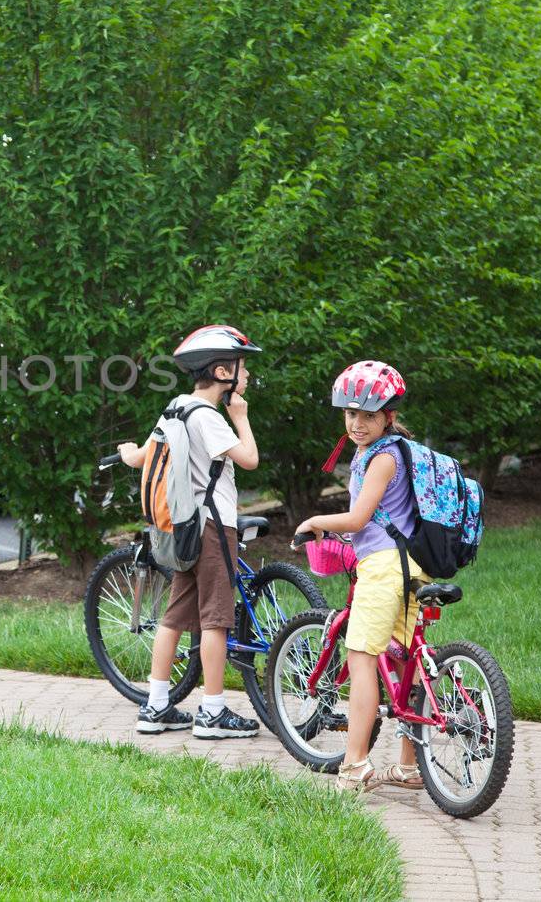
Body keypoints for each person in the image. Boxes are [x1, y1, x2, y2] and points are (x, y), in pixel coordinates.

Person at [117, 324, 262, 739]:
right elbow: (249, 458)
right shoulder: (209, 417)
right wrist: (241, 417)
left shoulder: (175, 407)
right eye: (241, 366)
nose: (246, 375)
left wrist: (128, 451)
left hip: (182, 529)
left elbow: (141, 457)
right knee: (216, 620)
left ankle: (156, 706)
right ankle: (213, 712)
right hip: (214, 526)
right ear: (221, 373)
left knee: (175, 616)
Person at [293, 360, 425, 793]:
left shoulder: (383, 458)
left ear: (388, 416)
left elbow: (358, 517)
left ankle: (354, 767)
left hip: (385, 569)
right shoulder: (392, 452)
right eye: (350, 414)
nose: (357, 423)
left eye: (368, 415)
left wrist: (315, 520)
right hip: (408, 566)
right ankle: (409, 766)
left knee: (362, 658)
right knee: (406, 661)